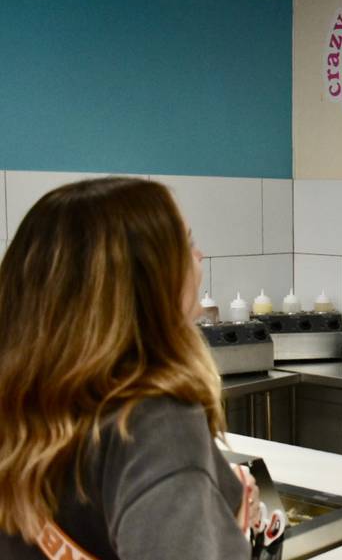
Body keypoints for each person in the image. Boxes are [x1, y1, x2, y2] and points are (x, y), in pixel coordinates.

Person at [0, 177, 257, 559]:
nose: (199, 256)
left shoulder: (28, 408)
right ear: (148, 283)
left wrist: (205, 497)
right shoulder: (156, 421)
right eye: (185, 244)